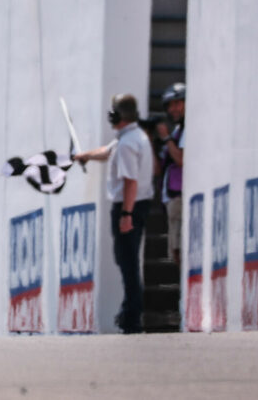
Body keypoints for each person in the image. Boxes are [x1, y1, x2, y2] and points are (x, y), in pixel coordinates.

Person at [74, 94, 155, 334]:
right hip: (137, 204)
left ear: (117, 115)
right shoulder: (131, 137)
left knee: (127, 262)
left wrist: (126, 214)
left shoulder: (129, 143)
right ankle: (129, 311)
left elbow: (130, 181)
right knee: (125, 260)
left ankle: (131, 317)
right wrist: (85, 155)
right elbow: (107, 151)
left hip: (129, 205)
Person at [155, 83, 185, 265]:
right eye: (169, 105)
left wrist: (166, 138)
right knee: (175, 252)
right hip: (171, 201)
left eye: (177, 103)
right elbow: (159, 169)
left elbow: (181, 160)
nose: (172, 109)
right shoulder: (177, 131)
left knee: (179, 251)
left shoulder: (185, 130)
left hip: (180, 200)